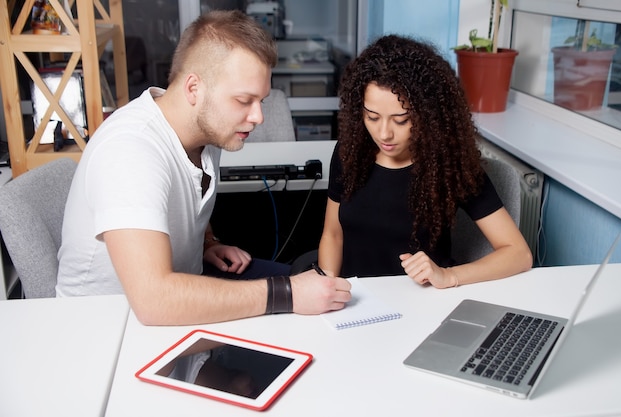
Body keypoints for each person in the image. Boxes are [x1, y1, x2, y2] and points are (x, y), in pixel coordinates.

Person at [55, 10, 351, 324]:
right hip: (111, 330)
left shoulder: (206, 131)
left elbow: (183, 196)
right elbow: (154, 300)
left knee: (316, 296)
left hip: (175, 302)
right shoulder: (130, 150)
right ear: (194, 88)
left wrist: (208, 242)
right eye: (243, 100)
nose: (258, 117)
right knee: (293, 300)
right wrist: (288, 293)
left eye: (260, 101)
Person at [317, 35, 532, 288]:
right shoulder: (350, 152)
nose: (384, 133)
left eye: (401, 120)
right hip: (357, 300)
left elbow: (518, 253)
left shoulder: (449, 164)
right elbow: (333, 234)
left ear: (427, 115)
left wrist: (449, 276)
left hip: (423, 303)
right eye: (372, 117)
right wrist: (327, 286)